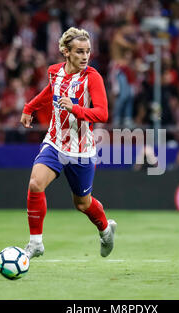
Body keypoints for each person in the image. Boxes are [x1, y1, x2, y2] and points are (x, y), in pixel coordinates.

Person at [19, 27, 117, 260]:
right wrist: (29, 107)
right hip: (54, 142)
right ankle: (36, 243)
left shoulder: (92, 77)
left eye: (88, 51)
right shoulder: (54, 72)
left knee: (82, 204)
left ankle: (105, 231)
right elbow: (49, 93)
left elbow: (102, 113)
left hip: (81, 149)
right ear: (66, 52)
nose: (85, 56)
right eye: (79, 52)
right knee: (35, 184)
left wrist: (75, 108)